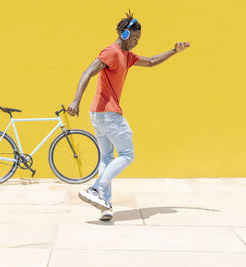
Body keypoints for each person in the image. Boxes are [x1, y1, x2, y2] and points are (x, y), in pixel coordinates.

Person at [67, 10, 190, 221]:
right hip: (109, 114)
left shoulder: (127, 56)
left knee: (107, 158)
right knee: (127, 154)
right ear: (124, 34)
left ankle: (104, 205)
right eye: (133, 38)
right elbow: (88, 71)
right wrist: (76, 99)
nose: (135, 42)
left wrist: (173, 51)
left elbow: (151, 61)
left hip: (98, 114)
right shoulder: (112, 52)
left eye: (137, 39)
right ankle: (94, 189)